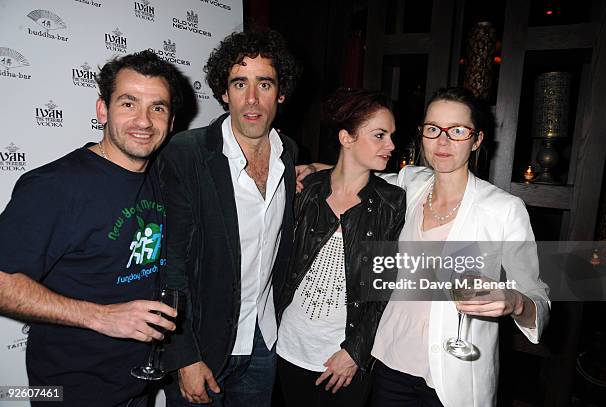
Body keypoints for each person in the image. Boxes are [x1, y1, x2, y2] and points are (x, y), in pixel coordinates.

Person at [298, 87, 550, 406]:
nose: (442, 142)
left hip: (454, 377)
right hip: (390, 364)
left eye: (457, 131)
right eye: (433, 129)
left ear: (477, 140)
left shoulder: (504, 209)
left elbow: (538, 299)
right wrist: (313, 169)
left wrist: (514, 301)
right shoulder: (409, 183)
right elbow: (360, 176)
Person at [0, 50, 183, 406]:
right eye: (128, 103)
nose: (143, 121)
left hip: (137, 386)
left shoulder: (162, 177)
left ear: (171, 121)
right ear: (103, 110)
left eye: (157, 108)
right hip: (70, 392)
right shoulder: (54, 186)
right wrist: (101, 317)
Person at [158, 29, 299, 406]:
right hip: (202, 348)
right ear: (224, 92)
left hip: (263, 341)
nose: (252, 99)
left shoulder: (289, 155)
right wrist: (183, 354)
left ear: (280, 93)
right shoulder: (186, 154)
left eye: (264, 84)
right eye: (240, 83)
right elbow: (170, 264)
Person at [275, 88, 406, 407]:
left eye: (390, 136)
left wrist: (356, 351)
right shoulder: (306, 190)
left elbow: (384, 289)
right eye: (379, 135)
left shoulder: (391, 202)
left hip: (344, 358)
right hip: (286, 347)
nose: (390, 145)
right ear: (346, 138)